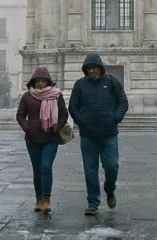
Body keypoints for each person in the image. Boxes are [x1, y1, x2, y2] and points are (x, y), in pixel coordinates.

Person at [68, 53, 128, 216]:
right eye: (89, 68)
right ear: (85, 70)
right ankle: (93, 202)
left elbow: (123, 101)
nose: (92, 71)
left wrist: (116, 118)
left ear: (100, 69)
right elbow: (72, 106)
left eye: (94, 68)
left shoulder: (111, 82)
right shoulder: (79, 85)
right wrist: (82, 122)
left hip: (109, 133)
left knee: (112, 166)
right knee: (90, 170)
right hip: (88, 135)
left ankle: (110, 190)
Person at [16, 67, 69, 213]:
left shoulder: (56, 96)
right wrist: (27, 127)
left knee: (46, 167)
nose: (40, 83)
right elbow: (20, 115)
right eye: (37, 81)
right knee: (37, 169)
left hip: (50, 137)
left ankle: (46, 199)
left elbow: (64, 113)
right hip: (32, 138)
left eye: (43, 81)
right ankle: (38, 199)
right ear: (33, 82)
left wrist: (58, 124)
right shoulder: (27, 96)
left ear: (48, 82)